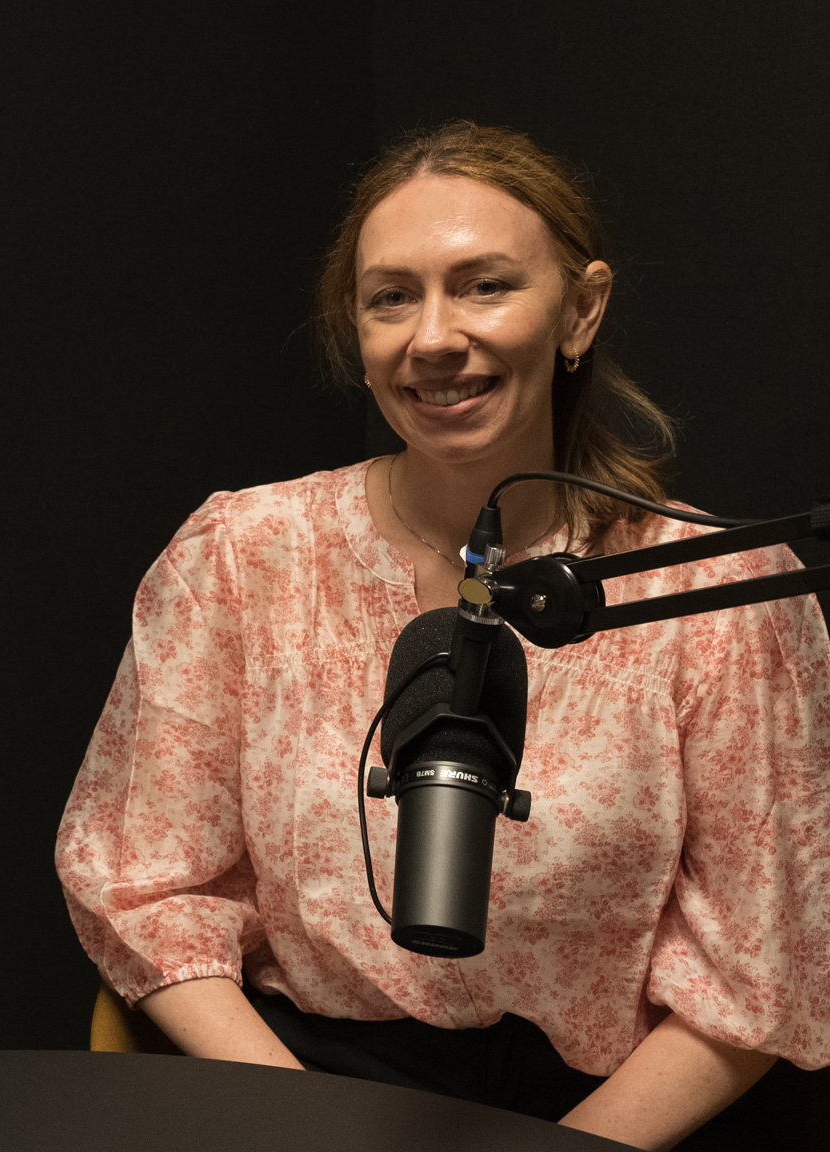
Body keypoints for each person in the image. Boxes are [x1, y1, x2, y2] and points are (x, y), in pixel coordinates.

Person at [55, 121, 829, 1150]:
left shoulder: (716, 590)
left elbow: (762, 964)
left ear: (579, 311)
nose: (430, 337)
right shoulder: (240, 558)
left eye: (483, 287)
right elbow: (145, 886)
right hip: (301, 1096)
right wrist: (298, 1126)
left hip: (606, 1119)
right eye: (390, 298)